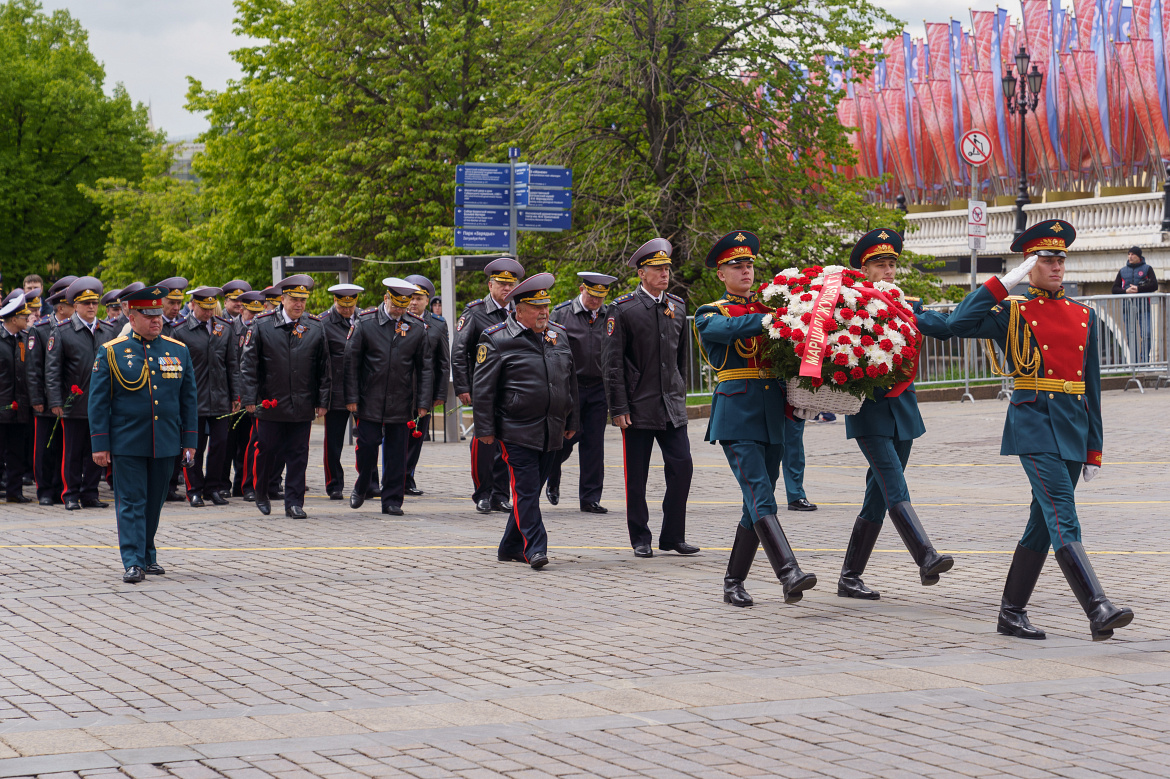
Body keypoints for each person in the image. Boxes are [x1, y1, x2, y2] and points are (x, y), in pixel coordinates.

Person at [948, 219, 1133, 641]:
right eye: (1046, 259)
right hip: (1034, 424)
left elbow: (1092, 388)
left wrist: (1094, 448)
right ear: (1029, 265)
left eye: (1059, 259)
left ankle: (1010, 613)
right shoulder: (1013, 311)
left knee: (1040, 522)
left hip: (1071, 426)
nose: (1055, 266)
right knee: (1062, 516)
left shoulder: (1082, 314)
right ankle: (1097, 606)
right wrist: (1001, 284)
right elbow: (957, 324)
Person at [695, 231, 815, 606]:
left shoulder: (770, 309)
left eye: (749, 264)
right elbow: (728, 331)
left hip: (771, 415)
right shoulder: (710, 312)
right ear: (721, 274)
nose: (745, 270)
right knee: (761, 495)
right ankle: (788, 571)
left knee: (754, 502)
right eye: (736, 265)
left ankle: (733, 581)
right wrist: (773, 316)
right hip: (736, 416)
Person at [836, 229, 955, 600]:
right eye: (879, 265)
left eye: (891, 265)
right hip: (868, 410)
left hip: (902, 409)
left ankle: (850, 576)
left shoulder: (909, 303)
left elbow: (941, 327)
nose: (887, 271)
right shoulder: (848, 305)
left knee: (877, 493)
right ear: (864, 269)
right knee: (892, 482)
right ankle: (925, 554)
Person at [89, 286, 197, 584]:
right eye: (148, 315)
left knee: (154, 502)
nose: (156, 321)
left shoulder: (178, 351)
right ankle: (133, 560)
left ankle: (148, 553)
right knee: (132, 500)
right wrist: (100, 444)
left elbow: (188, 400)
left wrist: (189, 441)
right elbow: (98, 403)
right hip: (127, 442)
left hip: (164, 441)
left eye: (158, 314)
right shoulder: (111, 351)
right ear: (131, 315)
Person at [473, 273, 578, 569]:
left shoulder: (558, 335)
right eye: (537, 307)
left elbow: (571, 382)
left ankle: (510, 546)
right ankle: (536, 547)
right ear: (519, 310)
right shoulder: (496, 339)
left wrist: (573, 419)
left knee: (526, 491)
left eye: (546, 306)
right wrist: (485, 430)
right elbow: (483, 388)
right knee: (528, 489)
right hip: (516, 430)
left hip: (552, 428)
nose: (544, 312)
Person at [602, 238, 697, 558]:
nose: (664, 273)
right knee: (636, 477)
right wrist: (618, 406)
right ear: (641, 273)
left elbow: (680, 359)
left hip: (670, 406)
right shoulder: (623, 308)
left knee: (682, 468)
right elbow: (612, 362)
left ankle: (673, 535)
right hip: (637, 406)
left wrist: (679, 392)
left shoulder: (678, 306)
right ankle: (640, 536)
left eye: (667, 268)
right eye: (657, 269)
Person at [239, 274, 330, 517]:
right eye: (294, 299)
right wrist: (249, 398)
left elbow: (324, 368)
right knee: (266, 449)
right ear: (283, 298)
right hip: (270, 402)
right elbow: (248, 365)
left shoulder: (315, 326)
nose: (299, 304)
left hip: (301, 403)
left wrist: (322, 401)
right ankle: (261, 492)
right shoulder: (262, 324)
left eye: (303, 299)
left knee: (298, 454)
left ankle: (294, 502)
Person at [344, 278, 433, 515]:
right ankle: (363, 483)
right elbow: (351, 362)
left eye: (403, 307)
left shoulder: (416, 327)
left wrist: (423, 402)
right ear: (386, 299)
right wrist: (351, 397)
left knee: (396, 453)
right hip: (369, 398)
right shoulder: (365, 322)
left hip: (402, 400)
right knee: (367, 447)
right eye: (395, 306)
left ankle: (392, 499)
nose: (399, 311)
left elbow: (425, 367)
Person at [452, 258, 524, 514]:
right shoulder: (475, 311)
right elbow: (459, 351)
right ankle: (482, 493)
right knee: (484, 444)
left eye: (511, 284)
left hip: (512, 389)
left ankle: (500, 494)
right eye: (502, 284)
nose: (507, 289)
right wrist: (462, 386)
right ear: (490, 284)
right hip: (483, 389)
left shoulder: (519, 311)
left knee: (507, 442)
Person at [45, 277, 117, 511]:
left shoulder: (108, 331)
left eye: (94, 303)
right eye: (86, 303)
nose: (91, 307)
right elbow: (53, 370)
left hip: (101, 403)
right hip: (73, 403)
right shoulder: (63, 331)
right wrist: (55, 401)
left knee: (97, 451)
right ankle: (71, 494)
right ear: (74, 306)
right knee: (73, 452)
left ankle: (90, 493)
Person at [547, 271, 615, 513]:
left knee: (594, 444)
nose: (596, 301)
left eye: (600, 297)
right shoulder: (562, 313)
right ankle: (551, 477)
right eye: (592, 295)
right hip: (570, 386)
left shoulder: (610, 314)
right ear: (581, 289)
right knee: (565, 439)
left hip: (598, 387)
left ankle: (590, 498)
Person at [169, 287, 240, 506]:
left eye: (212, 308)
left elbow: (232, 364)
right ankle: (194, 489)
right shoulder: (180, 331)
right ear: (193, 305)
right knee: (193, 447)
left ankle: (213, 487)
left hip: (219, 397)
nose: (209, 313)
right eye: (204, 308)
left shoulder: (224, 328)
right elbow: (173, 369)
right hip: (193, 399)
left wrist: (236, 394)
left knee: (220, 445)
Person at [26, 278, 76, 504]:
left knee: (64, 449)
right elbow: (33, 367)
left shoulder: (74, 328)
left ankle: (59, 487)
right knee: (44, 448)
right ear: (61, 306)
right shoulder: (41, 328)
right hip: (46, 401)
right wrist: (37, 398)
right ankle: (45, 490)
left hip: (69, 399)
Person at [403, 274, 449, 496]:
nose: (413, 302)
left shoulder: (438, 324)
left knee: (417, 436)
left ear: (427, 299)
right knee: (394, 437)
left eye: (419, 298)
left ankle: (407, 476)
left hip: (424, 392)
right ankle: (393, 477)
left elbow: (443, 361)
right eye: (410, 297)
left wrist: (439, 393)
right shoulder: (397, 319)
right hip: (398, 391)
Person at [321, 283, 363, 499]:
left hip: (361, 390)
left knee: (366, 439)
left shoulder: (364, 319)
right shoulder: (323, 323)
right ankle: (334, 483)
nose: (347, 310)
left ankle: (369, 480)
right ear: (335, 301)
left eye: (351, 306)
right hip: (336, 391)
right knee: (333, 442)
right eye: (342, 306)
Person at [220, 281, 254, 495]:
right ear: (226, 301)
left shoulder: (255, 324)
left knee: (246, 442)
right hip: (227, 394)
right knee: (226, 444)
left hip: (248, 393)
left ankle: (243, 485)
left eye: (243, 301)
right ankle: (222, 484)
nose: (238, 304)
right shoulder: (221, 325)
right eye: (234, 300)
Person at [232, 290, 266, 500]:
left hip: (256, 394)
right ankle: (238, 485)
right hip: (238, 395)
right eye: (250, 312)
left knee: (253, 442)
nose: (254, 317)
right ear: (242, 309)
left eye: (257, 312)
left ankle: (247, 485)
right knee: (235, 444)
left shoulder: (262, 328)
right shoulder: (229, 329)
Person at [0, 291, 32, 503]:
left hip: (20, 406)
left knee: (17, 452)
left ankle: (14, 491)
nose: (27, 319)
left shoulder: (25, 338)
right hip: (1, 406)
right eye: (23, 316)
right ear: (13, 319)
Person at [1111, 246, 1157, 364]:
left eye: (1133, 255)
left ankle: (1145, 360)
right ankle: (1135, 362)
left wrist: (1138, 289)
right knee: (1131, 337)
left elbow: (1154, 286)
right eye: (1129, 254)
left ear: (1139, 257)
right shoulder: (1122, 271)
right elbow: (1114, 289)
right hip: (1128, 308)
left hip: (1143, 307)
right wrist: (1125, 291)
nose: (1130, 257)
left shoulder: (1147, 269)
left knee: (1146, 334)